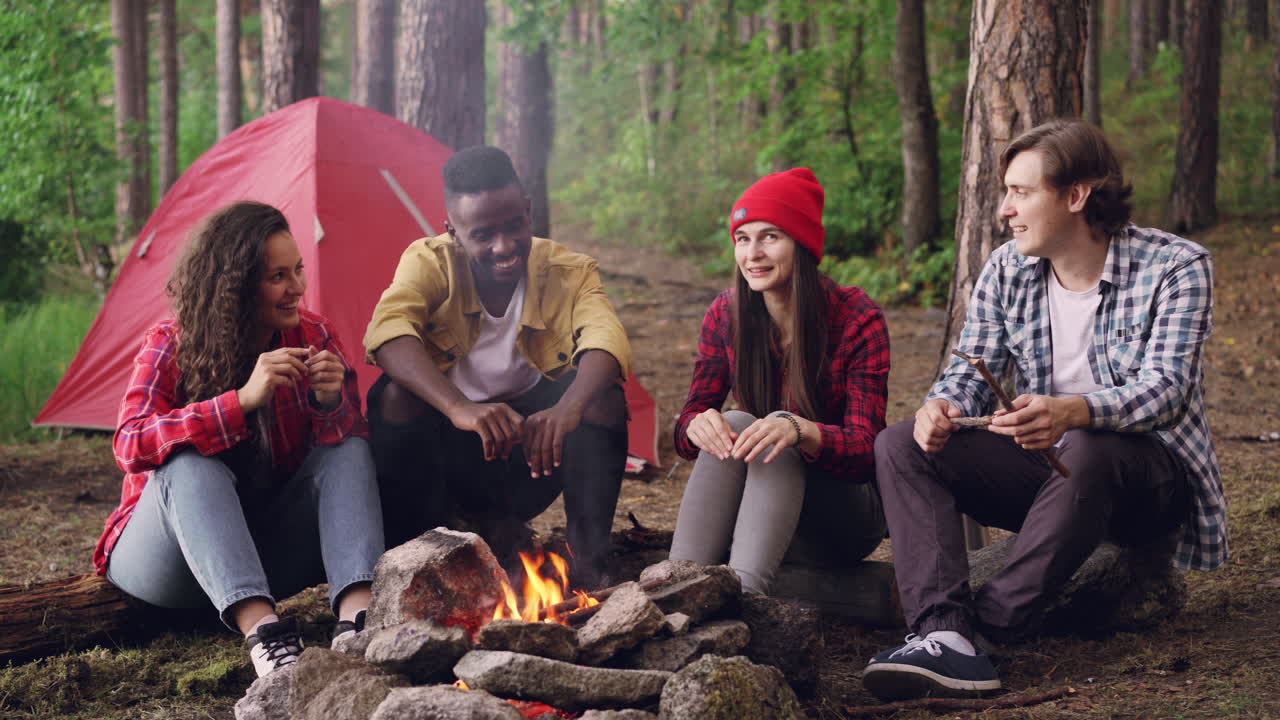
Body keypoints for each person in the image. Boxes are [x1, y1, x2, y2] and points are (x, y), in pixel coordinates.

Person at [863, 119, 1225, 701]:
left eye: (1021, 192)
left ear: (1076, 195)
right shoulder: (1008, 268)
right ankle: (945, 636)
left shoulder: (1176, 266)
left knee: (1086, 445)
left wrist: (1073, 410)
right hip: (1053, 477)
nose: (1006, 209)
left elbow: (1166, 389)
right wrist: (942, 405)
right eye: (1006, 192)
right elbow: (970, 367)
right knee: (901, 443)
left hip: (1148, 486)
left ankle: (996, 624)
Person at [94, 202, 384, 678]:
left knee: (349, 448)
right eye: (278, 276)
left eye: (298, 270)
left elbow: (345, 452)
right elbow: (130, 443)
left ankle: (357, 621)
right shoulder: (172, 343)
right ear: (235, 286)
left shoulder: (313, 334)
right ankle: (267, 638)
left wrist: (332, 403)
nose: (297, 288)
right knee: (188, 463)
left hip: (265, 550)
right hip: (166, 563)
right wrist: (240, 401)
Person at [364, 145, 630, 591]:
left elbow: (607, 338)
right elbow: (387, 332)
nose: (503, 247)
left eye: (514, 227)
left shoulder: (569, 270)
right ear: (452, 231)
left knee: (602, 396)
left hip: (531, 454)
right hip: (446, 462)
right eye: (483, 235)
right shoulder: (428, 262)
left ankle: (588, 563)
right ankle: (419, 556)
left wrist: (568, 407)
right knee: (396, 395)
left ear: (528, 212)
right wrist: (458, 406)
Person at [668, 168, 890, 596]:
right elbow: (686, 426)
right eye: (743, 238)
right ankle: (676, 589)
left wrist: (801, 431)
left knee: (777, 436)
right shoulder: (726, 314)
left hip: (840, 522)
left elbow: (867, 451)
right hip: (752, 519)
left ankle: (746, 604)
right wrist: (694, 425)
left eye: (770, 236)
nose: (753, 253)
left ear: (802, 244)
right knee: (731, 419)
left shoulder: (856, 319)